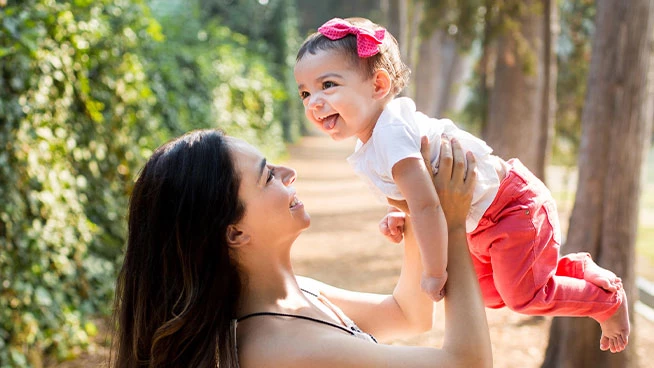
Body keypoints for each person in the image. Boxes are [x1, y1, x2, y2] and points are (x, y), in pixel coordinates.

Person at [293, 16, 630, 353]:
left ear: (378, 85)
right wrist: (401, 214)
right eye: (305, 92)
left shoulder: (391, 134)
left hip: (511, 206)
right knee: (483, 291)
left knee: (522, 297)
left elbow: (427, 205)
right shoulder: (374, 140)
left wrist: (434, 271)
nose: (313, 102)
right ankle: (574, 268)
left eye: (328, 85)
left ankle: (606, 302)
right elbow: (418, 197)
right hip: (480, 222)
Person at [110, 128, 493, 367]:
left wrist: (416, 219)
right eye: (267, 176)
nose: (288, 173)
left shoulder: (296, 295)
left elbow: (408, 314)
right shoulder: (280, 346)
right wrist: (454, 226)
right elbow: (469, 363)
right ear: (235, 234)